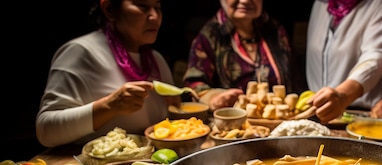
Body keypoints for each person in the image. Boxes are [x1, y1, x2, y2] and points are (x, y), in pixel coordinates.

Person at [36, 0, 175, 148]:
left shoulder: (157, 61)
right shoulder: (80, 52)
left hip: (154, 164)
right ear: (109, 9)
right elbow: (46, 131)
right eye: (142, 6)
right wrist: (109, 106)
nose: (154, 16)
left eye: (158, 7)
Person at [183, 0, 296, 111]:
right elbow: (193, 84)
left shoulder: (275, 30)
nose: (245, 1)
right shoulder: (210, 36)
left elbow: (292, 77)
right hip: (230, 125)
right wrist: (213, 98)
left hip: (279, 122)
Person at [305, 0, 382, 123]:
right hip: (317, 112)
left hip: (365, 116)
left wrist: (342, 95)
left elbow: (376, 58)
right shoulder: (320, 4)